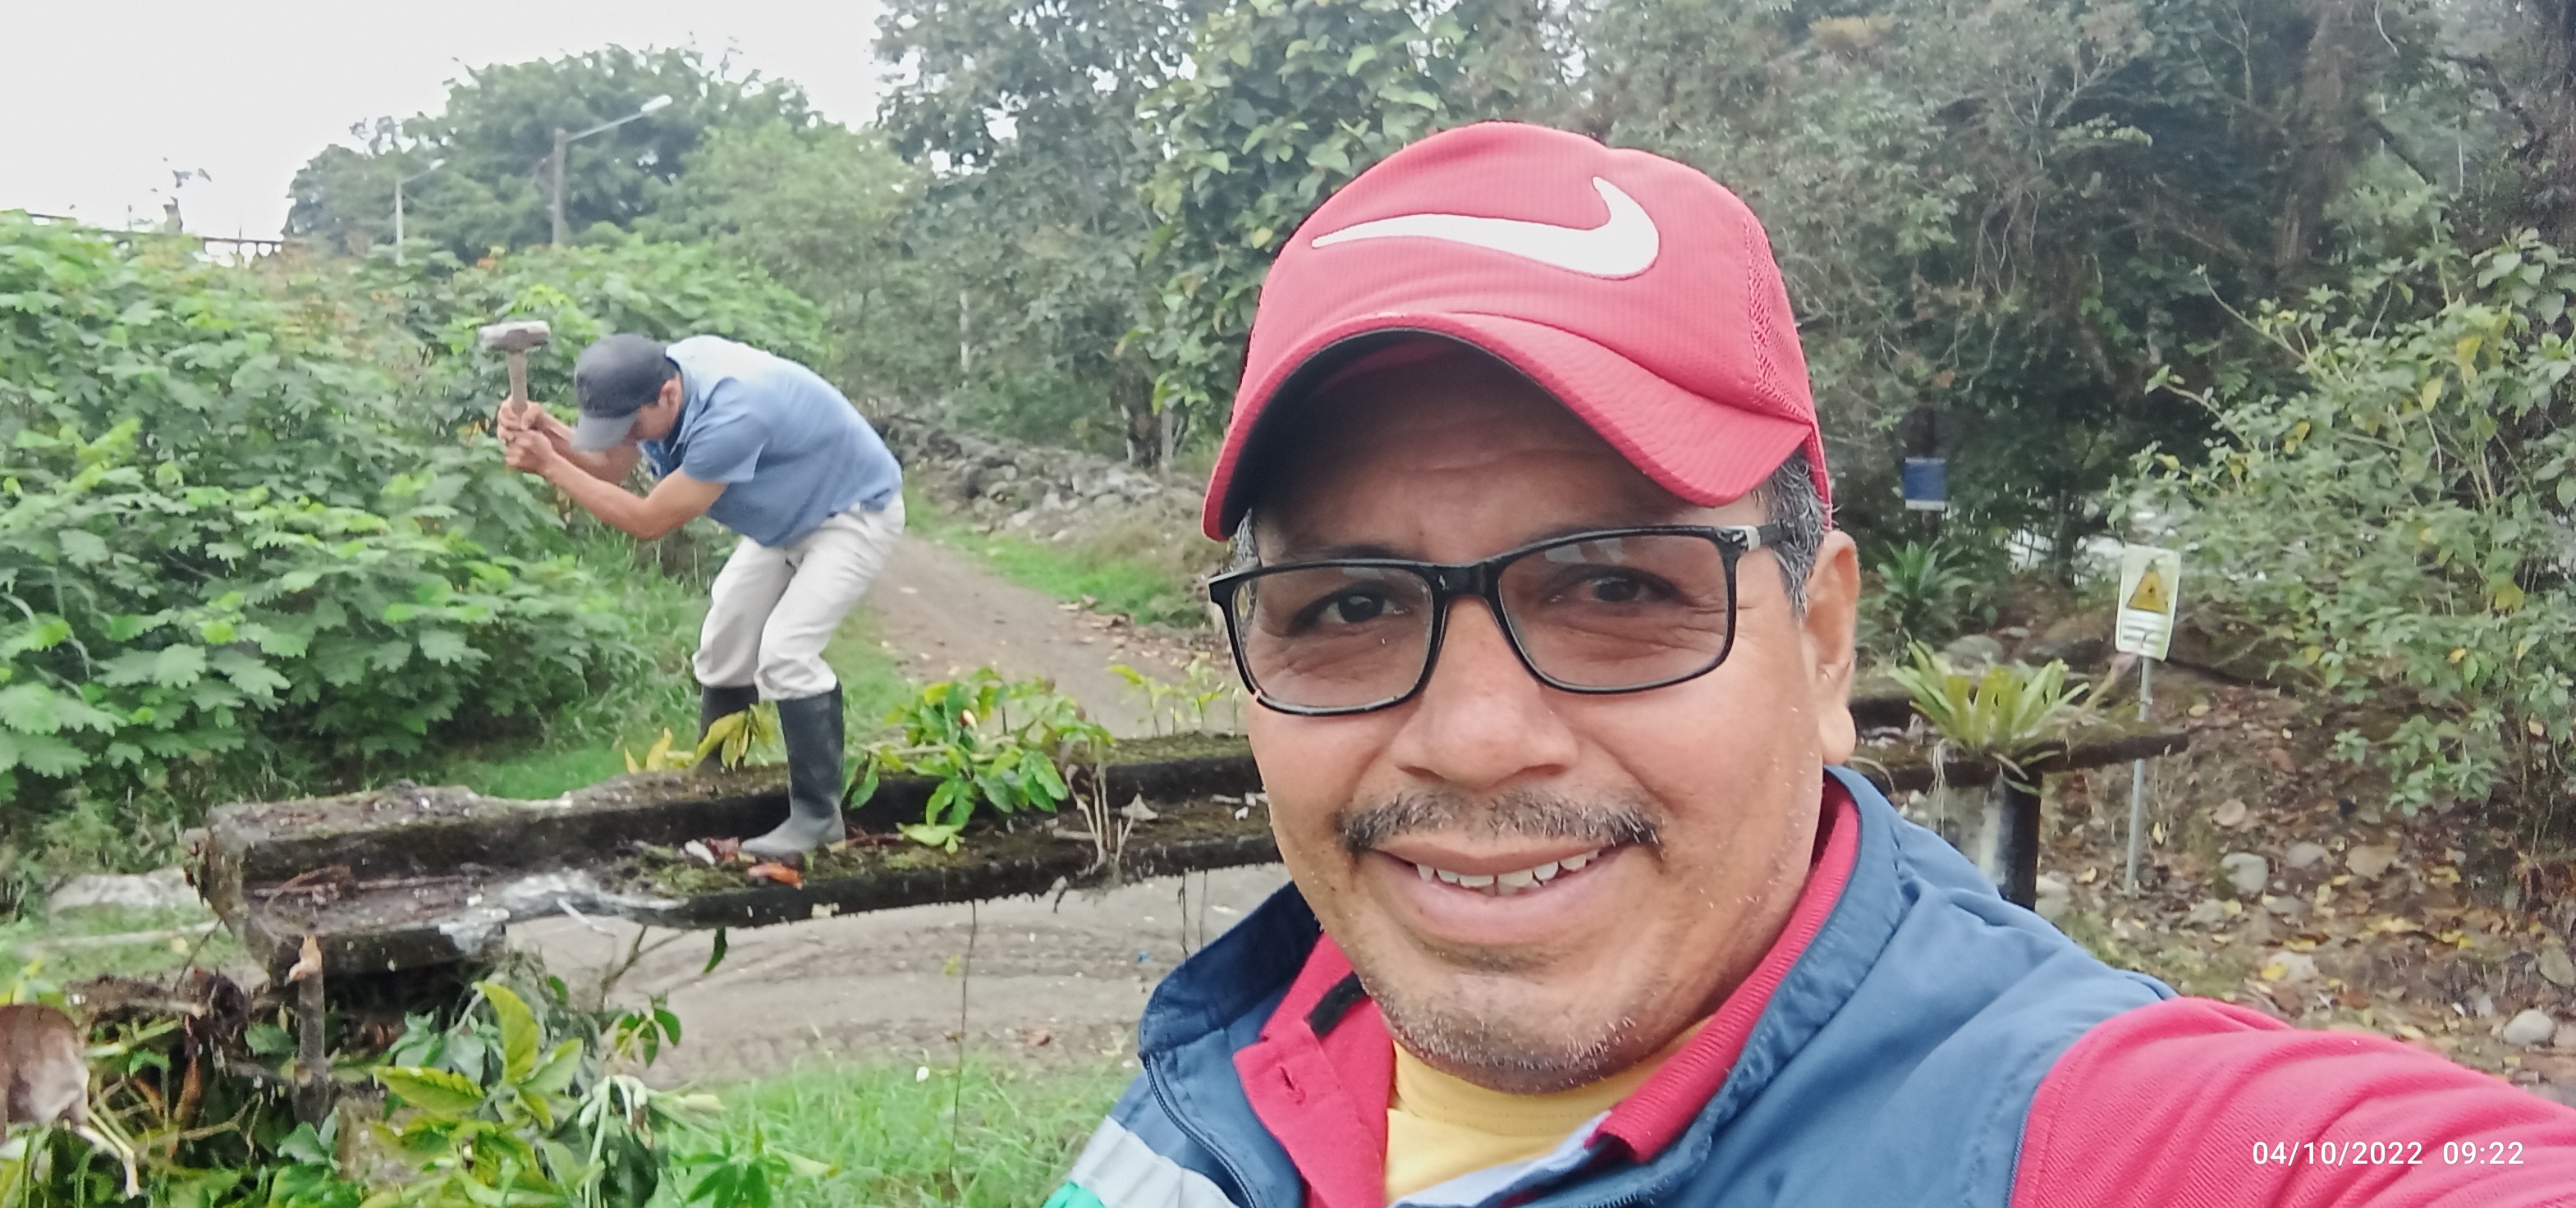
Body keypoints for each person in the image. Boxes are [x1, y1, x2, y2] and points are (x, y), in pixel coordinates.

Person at [1048, 122, 2576, 1207]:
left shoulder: (2045, 1124)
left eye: (1612, 588)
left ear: (1821, 641)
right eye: (1346, 606)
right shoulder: (1255, 1041)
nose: (1473, 736)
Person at [497, 332, 901, 860]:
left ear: (667, 395)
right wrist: (549, 432)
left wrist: (550, 464)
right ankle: (720, 783)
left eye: (631, 426)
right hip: (784, 520)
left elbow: (648, 521)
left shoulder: (734, 414)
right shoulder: (655, 383)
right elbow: (613, 465)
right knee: (725, 642)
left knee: (787, 652)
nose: (626, 437)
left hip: (851, 513)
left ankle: (819, 818)